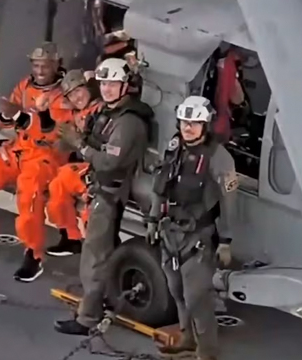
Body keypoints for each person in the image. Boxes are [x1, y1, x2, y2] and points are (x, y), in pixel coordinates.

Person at [0, 42, 73, 282]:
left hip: (46, 157)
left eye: (45, 65)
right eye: (36, 65)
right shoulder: (25, 86)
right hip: (19, 150)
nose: (40, 71)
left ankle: (34, 254)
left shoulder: (64, 95)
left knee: (29, 194)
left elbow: (51, 133)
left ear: (57, 64)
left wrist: (19, 116)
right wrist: (7, 114)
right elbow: (4, 122)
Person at [53, 57, 154, 335]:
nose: (107, 89)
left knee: (94, 256)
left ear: (125, 86)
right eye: (104, 83)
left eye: (113, 84)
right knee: (101, 250)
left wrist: (79, 144)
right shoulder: (108, 114)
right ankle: (104, 298)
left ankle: (87, 318)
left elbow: (109, 162)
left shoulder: (128, 122)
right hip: (102, 188)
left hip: (110, 192)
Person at [144, 95, 237, 360]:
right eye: (184, 122)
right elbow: (160, 186)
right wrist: (152, 220)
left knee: (197, 297)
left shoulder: (219, 157)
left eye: (194, 123)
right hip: (170, 232)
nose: (188, 127)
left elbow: (230, 202)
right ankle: (187, 338)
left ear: (205, 125)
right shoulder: (175, 147)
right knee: (176, 290)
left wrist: (226, 241)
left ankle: (207, 352)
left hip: (198, 236)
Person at [45, 70, 103, 257]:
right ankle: (70, 238)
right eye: (71, 95)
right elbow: (53, 109)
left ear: (88, 88)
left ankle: (96, 251)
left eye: (78, 91)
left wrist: (78, 139)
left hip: (103, 166)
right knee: (57, 186)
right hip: (87, 164)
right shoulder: (75, 113)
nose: (76, 98)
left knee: (89, 204)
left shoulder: (101, 109)